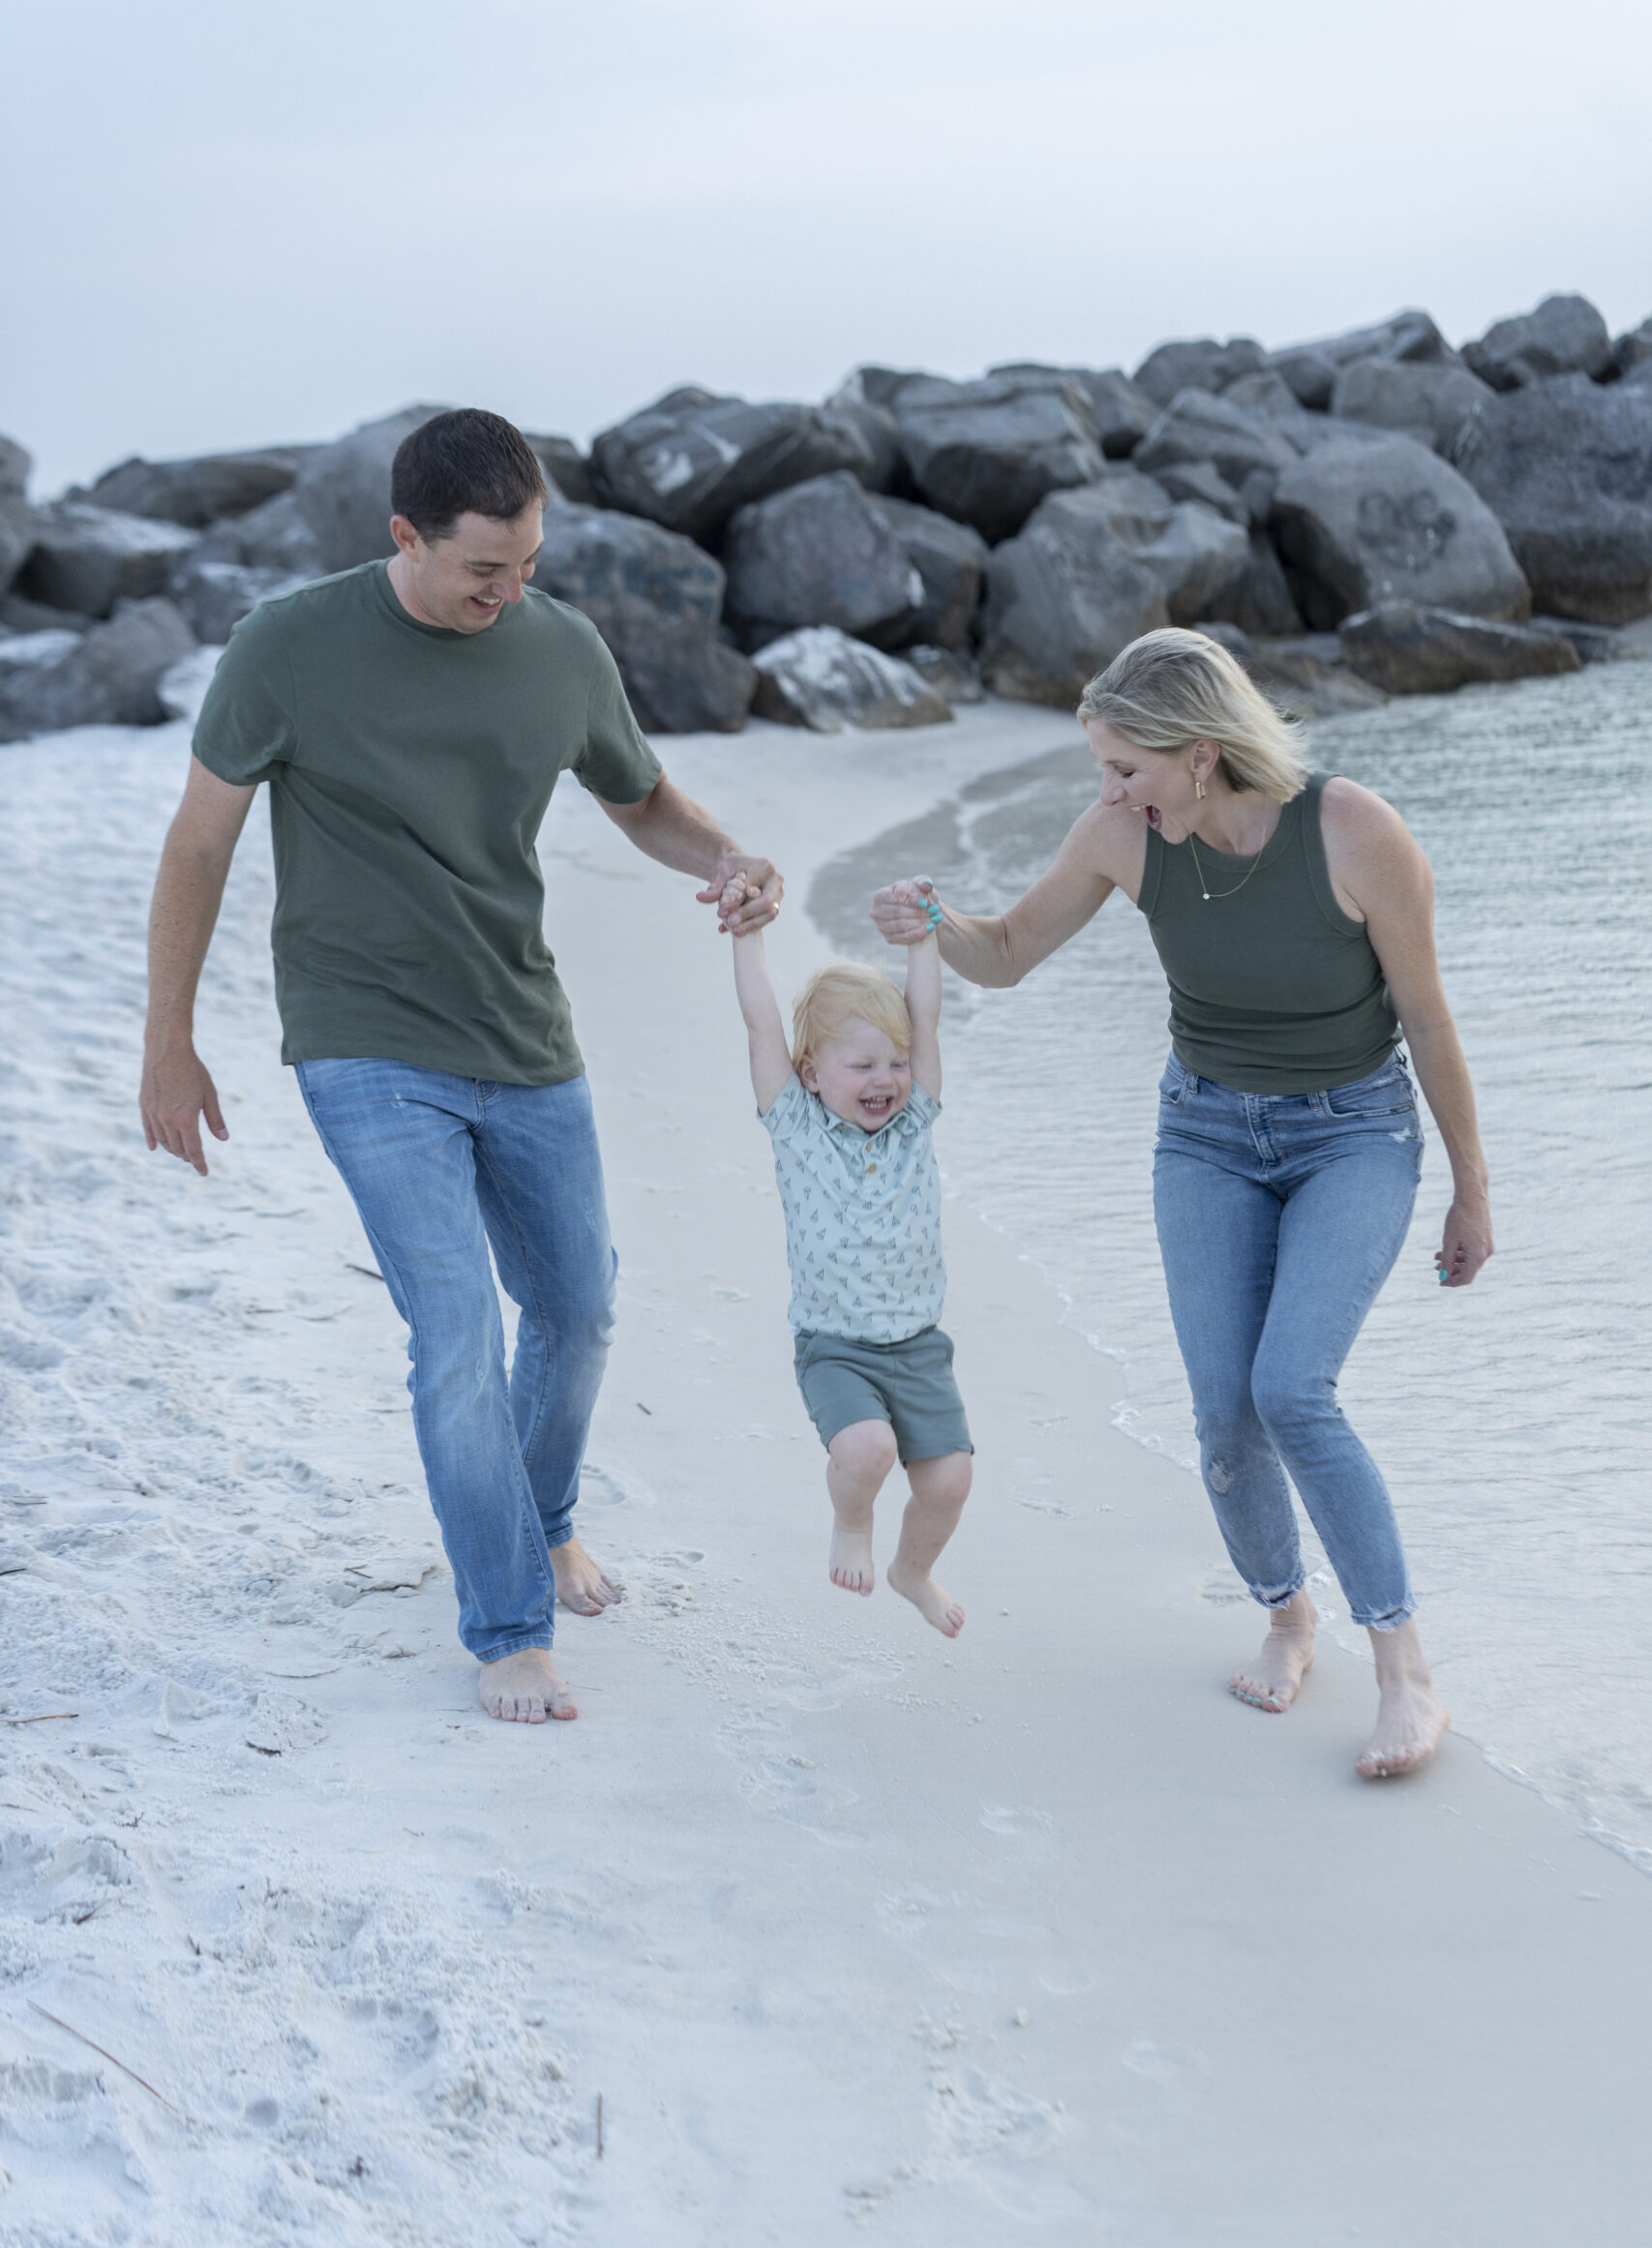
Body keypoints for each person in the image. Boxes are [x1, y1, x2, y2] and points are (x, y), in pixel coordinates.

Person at [139, 407, 782, 1727]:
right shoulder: (287, 648)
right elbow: (198, 844)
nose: (510, 592)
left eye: (529, 565)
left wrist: (726, 859)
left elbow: (640, 798)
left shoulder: (556, 651)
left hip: (520, 1030)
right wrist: (169, 1039)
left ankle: (538, 1521)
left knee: (578, 1307)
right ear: (403, 537)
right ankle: (507, 1629)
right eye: (484, 569)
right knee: (454, 1336)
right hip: (362, 1036)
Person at [871, 628, 1493, 1778]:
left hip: (1353, 1132)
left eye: (1125, 768)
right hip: (1206, 1133)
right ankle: (1286, 1614)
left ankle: (1404, 1668)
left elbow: (1428, 1016)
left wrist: (1471, 1189)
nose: (1107, 793)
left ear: (1201, 755)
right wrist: (931, 921)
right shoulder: (1124, 836)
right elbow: (1005, 950)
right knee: (1223, 1411)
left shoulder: (1354, 831)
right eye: (1103, 769)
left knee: (1291, 1386)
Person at [729, 884, 974, 1636]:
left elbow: (925, 1015)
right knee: (867, 1449)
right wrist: (745, 937)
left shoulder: (913, 1126)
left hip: (918, 1349)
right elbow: (763, 1022)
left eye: (895, 1063)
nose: (884, 1079)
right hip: (835, 1348)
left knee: (949, 1480)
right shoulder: (795, 1128)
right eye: (862, 1064)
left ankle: (912, 1569)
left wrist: (921, 939)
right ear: (809, 1074)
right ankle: (852, 1525)